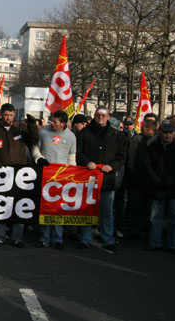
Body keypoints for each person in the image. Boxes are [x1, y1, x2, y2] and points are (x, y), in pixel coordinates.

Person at [0, 103, 39, 248]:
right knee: (0, 205)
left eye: (11, 115)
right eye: (6, 115)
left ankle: (17, 237)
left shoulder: (20, 128)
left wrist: (32, 126)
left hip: (19, 174)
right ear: (1, 115)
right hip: (0, 173)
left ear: (14, 115)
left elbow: (33, 140)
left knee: (18, 206)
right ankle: (0, 236)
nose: (8, 118)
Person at [76, 106, 128, 252]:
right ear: (94, 115)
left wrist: (112, 166)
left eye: (103, 115)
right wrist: (86, 162)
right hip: (88, 178)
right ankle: (85, 238)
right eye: (98, 115)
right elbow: (78, 152)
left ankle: (107, 239)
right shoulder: (84, 133)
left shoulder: (117, 135)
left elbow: (122, 156)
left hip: (107, 179)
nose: (100, 117)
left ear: (108, 116)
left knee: (107, 211)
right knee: (87, 210)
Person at [31, 110, 77, 250]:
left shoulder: (71, 137)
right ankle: (44, 237)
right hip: (45, 175)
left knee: (58, 209)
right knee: (45, 208)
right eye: (51, 120)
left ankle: (57, 238)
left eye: (55, 121)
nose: (52, 123)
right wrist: (39, 159)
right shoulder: (43, 132)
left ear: (63, 124)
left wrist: (72, 175)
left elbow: (71, 157)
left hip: (61, 178)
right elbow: (35, 148)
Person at [144, 120, 175, 254]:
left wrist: (172, 180)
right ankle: (155, 242)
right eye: (165, 133)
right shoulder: (152, 147)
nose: (168, 136)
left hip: (174, 188)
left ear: (174, 133)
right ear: (160, 133)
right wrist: (156, 179)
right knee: (155, 217)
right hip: (157, 187)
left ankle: (174, 244)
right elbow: (146, 165)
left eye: (170, 133)